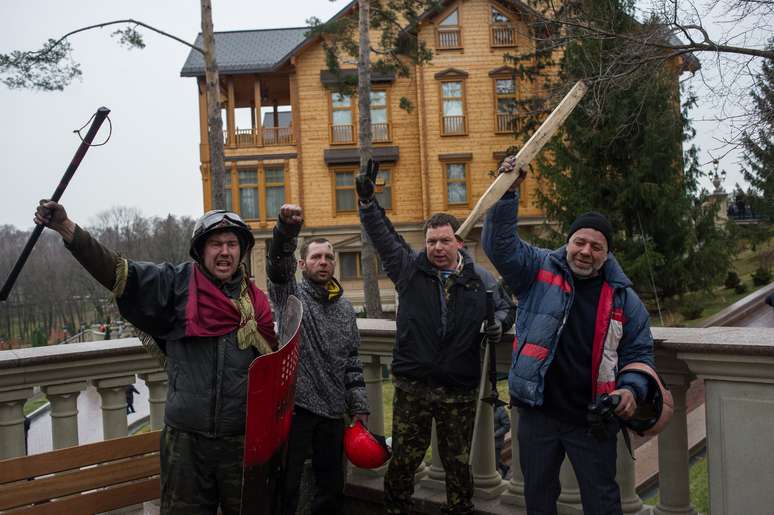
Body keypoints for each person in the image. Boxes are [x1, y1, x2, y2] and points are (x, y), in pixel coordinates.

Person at [34, 201, 277, 515]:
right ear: (201, 250)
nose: (225, 252)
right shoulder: (175, 285)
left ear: (241, 251)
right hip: (186, 446)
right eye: (216, 244)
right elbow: (118, 271)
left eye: (232, 244)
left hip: (241, 444)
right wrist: (68, 229)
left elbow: (274, 372)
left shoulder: (256, 306)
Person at [481, 158, 655, 515]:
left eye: (596, 246)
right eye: (580, 242)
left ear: (607, 254)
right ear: (568, 241)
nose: (586, 251)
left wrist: (631, 388)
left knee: (603, 500)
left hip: (593, 418)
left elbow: (639, 352)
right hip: (537, 413)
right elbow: (499, 248)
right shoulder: (538, 267)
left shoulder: (624, 298)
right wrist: (508, 192)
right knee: (538, 495)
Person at [355, 161, 516, 515]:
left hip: (459, 391)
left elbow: (507, 309)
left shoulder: (480, 281)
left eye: (444, 241)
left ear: (458, 242)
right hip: (413, 388)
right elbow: (385, 237)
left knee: (459, 466)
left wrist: (499, 325)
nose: (437, 247)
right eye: (431, 241)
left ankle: (459, 510)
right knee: (403, 465)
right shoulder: (410, 271)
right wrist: (368, 203)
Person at [267, 204, 369, 515]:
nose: (322, 262)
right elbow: (277, 266)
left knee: (331, 487)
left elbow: (352, 361)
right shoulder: (291, 296)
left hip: (333, 411)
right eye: (315, 257)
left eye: (328, 257)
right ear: (302, 263)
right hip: (295, 410)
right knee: (287, 485)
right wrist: (286, 231)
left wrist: (359, 405)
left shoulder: (345, 310)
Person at [493, 394, 510, 479]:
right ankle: (504, 467)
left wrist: (495, 434)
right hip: (486, 441)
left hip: (497, 442)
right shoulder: (485, 409)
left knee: (494, 464)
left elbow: (507, 426)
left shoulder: (501, 411)